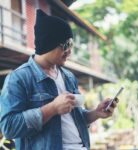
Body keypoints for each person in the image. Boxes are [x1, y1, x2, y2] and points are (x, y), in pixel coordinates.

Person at [0, 9, 118, 150]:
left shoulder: (68, 77)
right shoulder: (19, 78)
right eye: (66, 45)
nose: (70, 51)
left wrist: (96, 113)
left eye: (71, 44)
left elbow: (73, 119)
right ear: (48, 44)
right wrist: (52, 108)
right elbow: (9, 127)